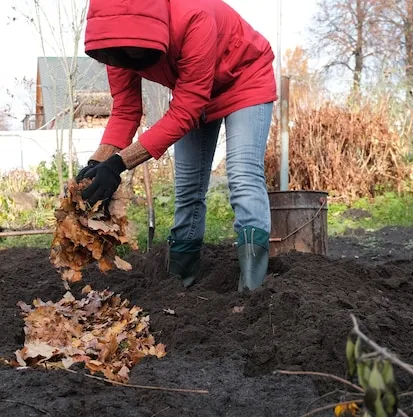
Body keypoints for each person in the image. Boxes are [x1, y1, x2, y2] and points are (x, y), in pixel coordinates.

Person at [76, 0, 277, 292]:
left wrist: (119, 164)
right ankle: (180, 283)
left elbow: (186, 111)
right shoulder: (116, 45)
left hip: (244, 80)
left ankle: (252, 289)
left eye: (133, 53)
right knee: (187, 188)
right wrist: (97, 164)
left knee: (243, 176)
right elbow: (126, 110)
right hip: (192, 90)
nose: (128, 61)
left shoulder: (194, 16)